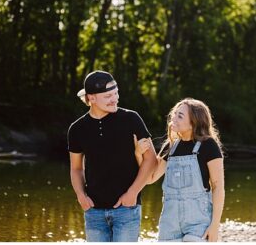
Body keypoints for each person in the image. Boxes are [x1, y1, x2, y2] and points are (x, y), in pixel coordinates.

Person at [68, 70, 158, 242]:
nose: (115, 99)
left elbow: (151, 160)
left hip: (126, 209)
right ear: (91, 98)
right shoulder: (77, 129)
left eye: (116, 93)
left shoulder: (131, 119)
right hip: (93, 211)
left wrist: (132, 193)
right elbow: (76, 168)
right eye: (108, 95)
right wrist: (81, 195)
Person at [145, 99, 225, 242]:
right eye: (174, 113)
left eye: (180, 116)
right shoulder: (170, 147)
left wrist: (214, 225)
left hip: (198, 223)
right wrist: (140, 153)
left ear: (194, 122)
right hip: (169, 224)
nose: (173, 118)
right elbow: (150, 178)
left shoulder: (209, 145)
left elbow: (218, 187)